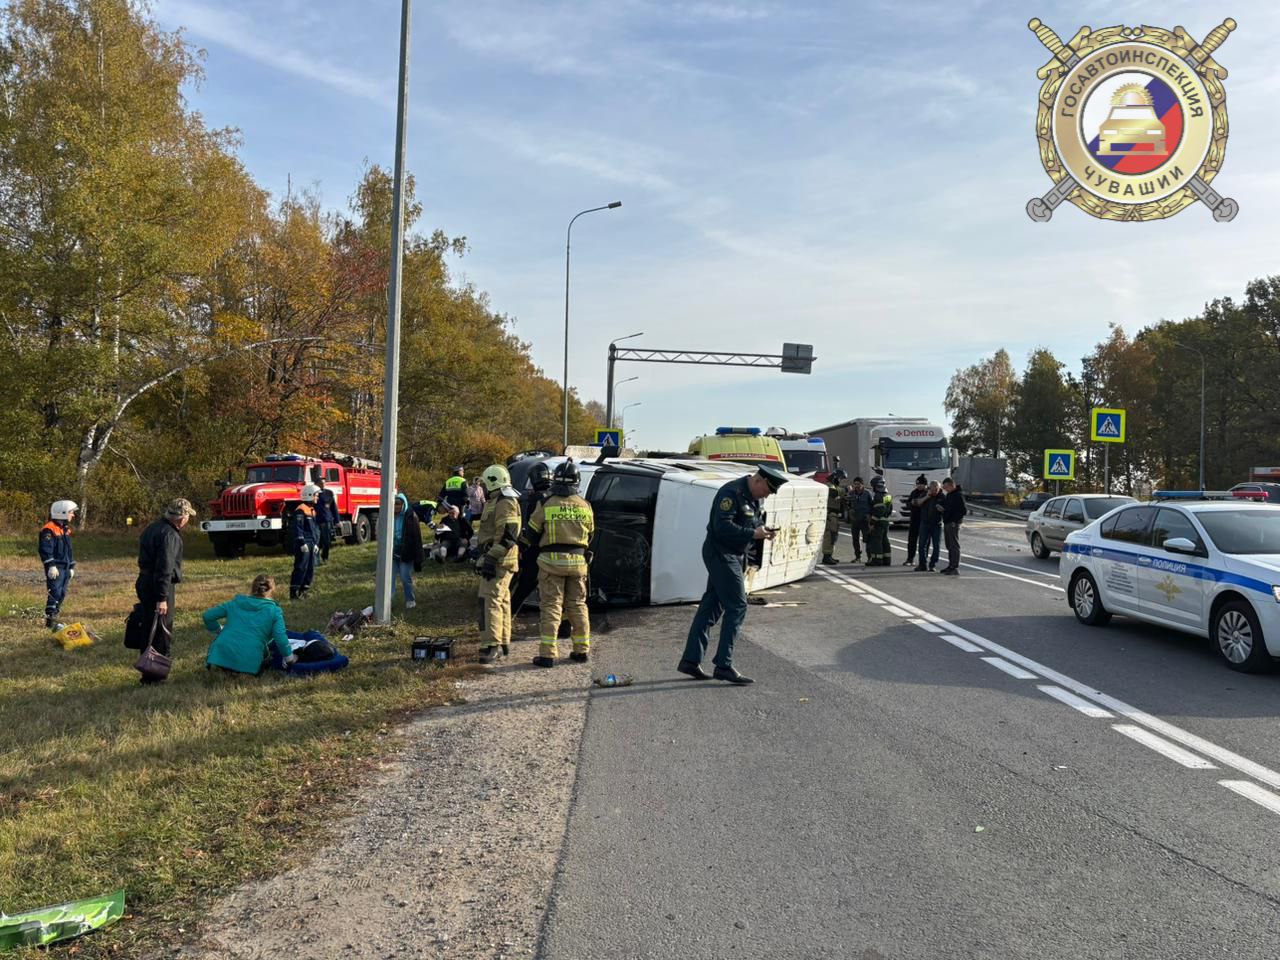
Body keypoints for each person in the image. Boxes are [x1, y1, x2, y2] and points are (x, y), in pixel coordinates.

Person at [678, 465, 789, 685]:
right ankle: (723, 665)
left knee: (710, 607)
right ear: (758, 480)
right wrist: (753, 533)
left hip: (734, 555)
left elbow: (753, 522)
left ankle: (690, 661)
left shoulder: (754, 498)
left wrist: (763, 531)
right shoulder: (731, 493)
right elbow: (721, 527)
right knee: (737, 606)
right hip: (721, 552)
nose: (767, 495)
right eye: (767, 490)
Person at [523, 460, 594, 667]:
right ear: (576, 482)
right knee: (578, 606)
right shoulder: (585, 505)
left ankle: (547, 655)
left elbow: (532, 533)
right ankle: (581, 651)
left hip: (550, 564)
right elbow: (590, 535)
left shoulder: (547, 503)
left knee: (551, 608)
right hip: (578, 564)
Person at [136, 498, 196, 683]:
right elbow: (165, 568)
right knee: (161, 630)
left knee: (148, 627)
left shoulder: (153, 528)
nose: (188, 520)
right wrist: (162, 598)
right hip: (159, 585)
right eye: (188, 516)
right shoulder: (170, 536)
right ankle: (155, 675)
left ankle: (147, 671)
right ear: (182, 517)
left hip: (145, 581)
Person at [475, 463, 521, 663]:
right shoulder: (497, 501)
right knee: (501, 601)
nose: (483, 489)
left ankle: (492, 647)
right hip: (497, 558)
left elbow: (508, 535)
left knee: (490, 601)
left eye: (485, 484)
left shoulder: (505, 502)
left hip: (500, 560)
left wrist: (491, 558)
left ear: (493, 483)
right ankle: (502, 643)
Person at [203, 574, 296, 674]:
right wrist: (289, 658)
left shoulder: (235, 603)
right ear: (272, 590)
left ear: (253, 588)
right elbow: (280, 637)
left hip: (222, 653)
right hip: (249, 658)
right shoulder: (274, 611)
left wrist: (220, 630)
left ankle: (228, 666)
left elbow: (208, 616)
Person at [511, 461, 553, 615]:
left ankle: (509, 613)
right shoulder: (555, 497)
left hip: (536, 550)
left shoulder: (537, 500)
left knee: (524, 585)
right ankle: (564, 623)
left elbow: (532, 528)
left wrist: (522, 546)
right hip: (554, 549)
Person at [39, 499, 77, 630]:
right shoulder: (49, 529)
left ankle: (56, 616)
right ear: (63, 512)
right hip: (56, 567)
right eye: (71, 512)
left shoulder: (65, 529)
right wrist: (51, 565)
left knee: (62, 593)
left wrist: (71, 566)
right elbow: (45, 549)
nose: (73, 515)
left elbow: (69, 549)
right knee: (54, 592)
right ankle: (50, 620)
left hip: (65, 566)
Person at [393, 492, 426, 607]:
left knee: (404, 577)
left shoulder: (411, 517)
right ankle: (388, 602)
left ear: (404, 504)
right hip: (392, 553)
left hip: (406, 553)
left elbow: (417, 538)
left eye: (398, 503)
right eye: (394, 503)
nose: (396, 506)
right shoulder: (389, 516)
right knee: (389, 579)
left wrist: (418, 557)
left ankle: (410, 600)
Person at [290, 485, 320, 600]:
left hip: (312, 542)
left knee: (310, 568)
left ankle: (304, 591)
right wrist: (301, 542)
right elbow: (298, 528)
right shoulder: (301, 509)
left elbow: (315, 529)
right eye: (316, 495)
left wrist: (316, 543)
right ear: (309, 495)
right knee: (301, 567)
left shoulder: (312, 510)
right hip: (304, 543)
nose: (317, 498)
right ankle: (294, 592)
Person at [939, 477, 967, 575]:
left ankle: (954, 567)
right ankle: (950, 565)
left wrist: (955, 520)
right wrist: (943, 509)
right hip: (947, 522)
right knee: (949, 545)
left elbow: (963, 511)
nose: (945, 489)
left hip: (953, 523)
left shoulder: (958, 495)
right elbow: (949, 508)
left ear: (951, 485)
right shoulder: (949, 495)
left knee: (954, 545)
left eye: (946, 487)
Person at [915, 481, 943, 572]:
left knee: (936, 546)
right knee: (922, 545)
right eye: (933, 490)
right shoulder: (924, 494)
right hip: (925, 523)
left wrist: (942, 509)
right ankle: (922, 564)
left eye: (936, 490)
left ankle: (932, 564)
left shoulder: (942, 496)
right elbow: (918, 503)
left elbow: (947, 509)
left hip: (936, 524)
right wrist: (927, 497)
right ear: (929, 489)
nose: (935, 492)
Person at [821, 469, 847, 566]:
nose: (840, 481)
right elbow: (834, 492)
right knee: (829, 536)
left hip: (834, 515)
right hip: (830, 515)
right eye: (840, 479)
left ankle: (829, 555)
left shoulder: (834, 486)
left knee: (833, 536)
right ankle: (826, 557)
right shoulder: (829, 486)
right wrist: (845, 490)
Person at [866, 475, 893, 566]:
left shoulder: (878, 496)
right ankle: (887, 559)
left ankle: (877, 560)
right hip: (886, 521)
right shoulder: (888, 496)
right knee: (885, 540)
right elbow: (889, 510)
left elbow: (878, 511)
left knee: (876, 540)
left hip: (878, 522)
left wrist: (872, 522)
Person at [846, 477, 873, 563]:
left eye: (858, 484)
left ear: (862, 485)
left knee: (867, 539)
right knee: (855, 539)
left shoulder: (867, 493)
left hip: (865, 520)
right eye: (855, 484)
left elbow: (872, 505)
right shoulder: (851, 493)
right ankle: (858, 557)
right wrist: (850, 511)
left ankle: (870, 557)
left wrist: (870, 516)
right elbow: (847, 504)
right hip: (855, 520)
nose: (857, 486)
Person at [314, 478, 340, 564]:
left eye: (324, 483)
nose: (323, 484)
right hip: (315, 521)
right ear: (316, 483)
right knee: (316, 541)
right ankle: (316, 560)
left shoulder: (329, 493)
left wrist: (337, 520)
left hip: (326, 520)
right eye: (321, 483)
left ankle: (325, 557)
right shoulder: (313, 493)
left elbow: (333, 507)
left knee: (327, 541)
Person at [904, 475, 928, 566]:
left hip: (924, 520)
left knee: (924, 542)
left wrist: (916, 502)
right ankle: (910, 559)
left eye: (921, 484)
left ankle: (923, 560)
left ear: (925, 485)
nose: (919, 486)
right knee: (912, 541)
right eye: (917, 484)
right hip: (914, 519)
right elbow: (908, 503)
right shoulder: (914, 492)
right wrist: (912, 503)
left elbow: (923, 504)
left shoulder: (927, 493)